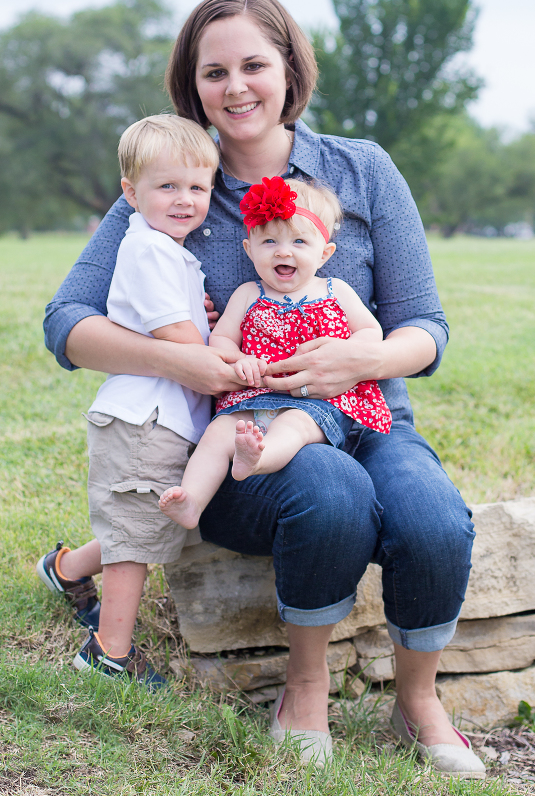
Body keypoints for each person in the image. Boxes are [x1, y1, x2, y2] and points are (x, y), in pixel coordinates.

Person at [42, 0, 484, 776]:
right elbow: (66, 324)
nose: (236, 86)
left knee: (434, 520)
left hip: (371, 414)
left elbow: (427, 327)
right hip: (243, 439)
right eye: (215, 71)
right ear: (192, 83)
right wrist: (188, 362)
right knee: (329, 491)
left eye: (254, 64)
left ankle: (419, 703)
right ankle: (303, 692)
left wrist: (362, 360)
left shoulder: (364, 170)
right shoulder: (173, 182)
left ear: (289, 68)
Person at [38, 114, 220, 684]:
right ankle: (109, 652)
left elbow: (176, 319)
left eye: (197, 187)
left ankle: (65, 570)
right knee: (135, 541)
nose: (184, 200)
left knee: (140, 523)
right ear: (130, 193)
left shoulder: (173, 251)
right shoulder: (148, 249)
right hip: (147, 416)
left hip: (160, 417)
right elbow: (177, 340)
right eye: (167, 186)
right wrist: (224, 355)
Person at [158, 176, 392, 530]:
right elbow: (221, 339)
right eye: (269, 241)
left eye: (299, 241)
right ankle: (192, 501)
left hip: (319, 400)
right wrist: (240, 360)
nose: (284, 251)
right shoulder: (248, 294)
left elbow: (371, 331)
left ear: (324, 252)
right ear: (249, 249)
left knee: (294, 426)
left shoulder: (335, 291)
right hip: (253, 398)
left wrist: (346, 352)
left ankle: (257, 459)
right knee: (219, 432)